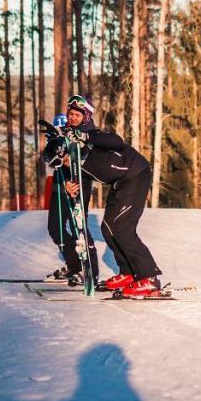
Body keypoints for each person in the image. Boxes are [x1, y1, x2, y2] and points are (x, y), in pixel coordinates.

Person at [59, 94, 162, 298]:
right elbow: (83, 184)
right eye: (70, 114)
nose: (73, 118)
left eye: (77, 115)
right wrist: (71, 189)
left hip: (136, 174)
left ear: (86, 117)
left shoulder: (93, 136)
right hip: (120, 183)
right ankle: (128, 273)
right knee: (108, 227)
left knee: (122, 228)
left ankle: (149, 278)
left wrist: (86, 137)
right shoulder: (74, 149)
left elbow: (116, 141)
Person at [40, 112, 100, 288]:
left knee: (79, 228)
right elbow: (53, 160)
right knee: (55, 228)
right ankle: (73, 267)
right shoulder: (61, 130)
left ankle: (90, 272)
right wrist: (54, 142)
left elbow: (85, 157)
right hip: (60, 186)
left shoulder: (83, 131)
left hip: (78, 185)